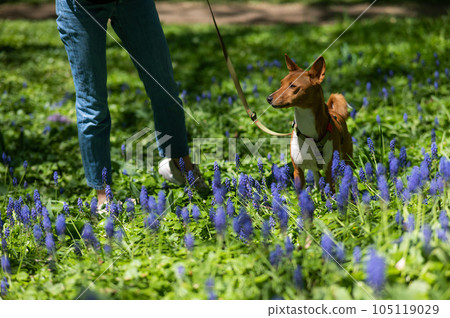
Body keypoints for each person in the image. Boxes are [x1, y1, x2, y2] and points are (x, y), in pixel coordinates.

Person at [56, 0, 203, 205]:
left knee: (164, 88)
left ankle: (181, 165)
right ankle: (103, 197)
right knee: (92, 103)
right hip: (81, 6)